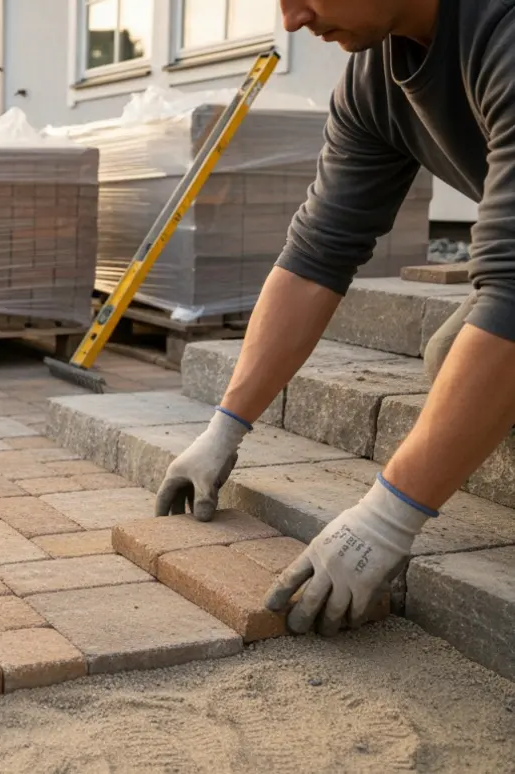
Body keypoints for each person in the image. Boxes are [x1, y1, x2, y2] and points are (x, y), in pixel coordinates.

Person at [154, 0, 515, 637]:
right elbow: (317, 254)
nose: (292, 19)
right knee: (454, 354)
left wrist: (387, 517)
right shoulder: (374, 73)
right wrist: (223, 429)